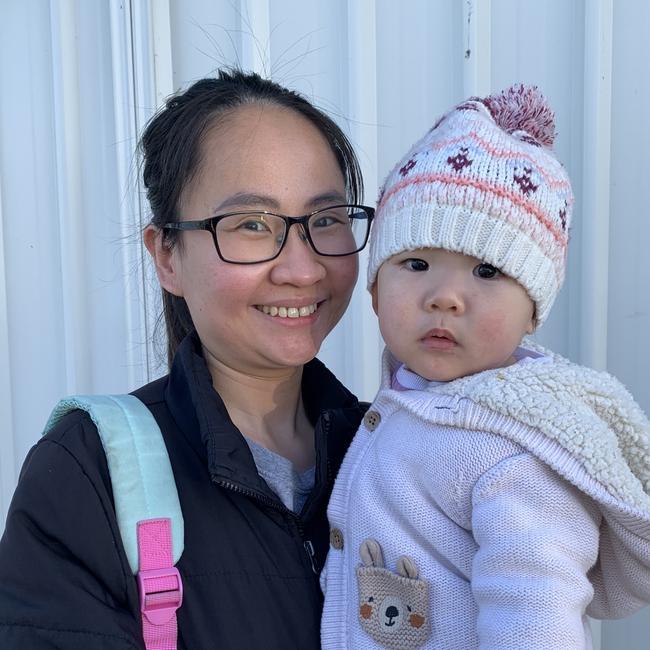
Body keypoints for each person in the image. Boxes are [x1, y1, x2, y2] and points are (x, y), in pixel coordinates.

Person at [0, 69, 374, 649]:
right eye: (252, 224)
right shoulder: (88, 473)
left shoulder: (399, 450)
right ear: (167, 256)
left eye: (324, 220)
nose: (302, 269)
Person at [320, 85, 650, 649]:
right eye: (417, 262)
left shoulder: (514, 454)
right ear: (375, 291)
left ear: (534, 312)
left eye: (488, 272)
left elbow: (536, 616)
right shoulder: (411, 400)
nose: (446, 296)